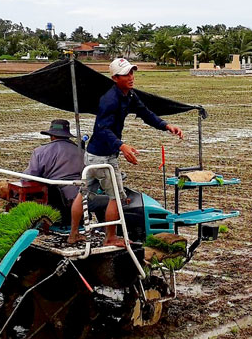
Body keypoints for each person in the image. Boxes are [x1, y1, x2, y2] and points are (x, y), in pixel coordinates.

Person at [69, 58, 184, 245]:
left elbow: (145, 113)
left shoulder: (129, 95)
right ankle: (111, 237)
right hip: (102, 156)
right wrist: (122, 146)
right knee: (116, 196)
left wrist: (166, 125)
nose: (131, 77)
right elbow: (103, 129)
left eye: (132, 72)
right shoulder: (109, 100)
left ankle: (73, 235)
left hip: (94, 153)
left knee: (84, 194)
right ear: (115, 78)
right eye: (126, 74)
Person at [24, 119, 84, 217]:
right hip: (80, 196)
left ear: (52, 136)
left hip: (55, 197)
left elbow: (30, 176)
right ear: (67, 136)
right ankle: (106, 229)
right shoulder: (81, 152)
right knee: (107, 200)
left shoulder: (40, 151)